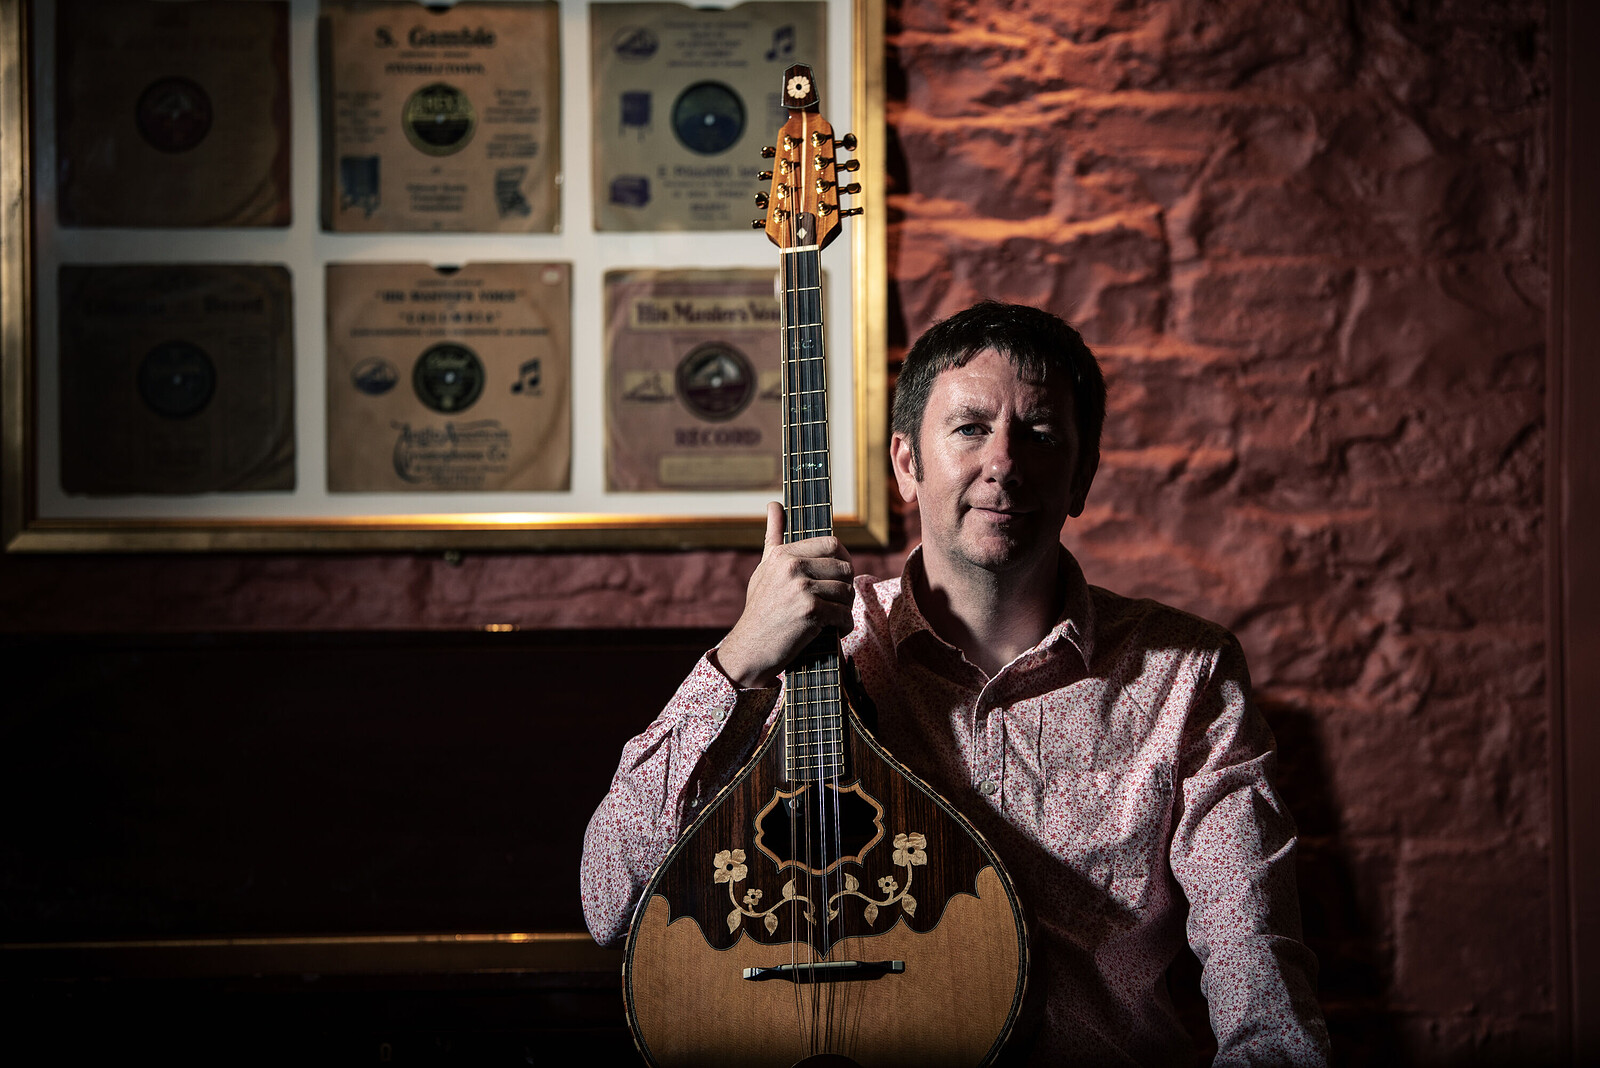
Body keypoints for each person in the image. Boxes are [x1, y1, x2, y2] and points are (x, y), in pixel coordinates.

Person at [580, 301, 1330, 1066]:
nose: (1003, 462)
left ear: (1083, 475)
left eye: (1038, 434)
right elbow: (611, 901)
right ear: (908, 463)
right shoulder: (806, 653)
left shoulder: (1186, 675)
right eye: (970, 428)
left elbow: (1257, 970)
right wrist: (739, 658)